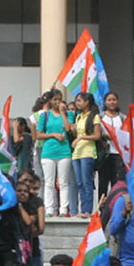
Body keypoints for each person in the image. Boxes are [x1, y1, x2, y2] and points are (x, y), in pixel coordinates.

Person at [34, 89, 73, 217]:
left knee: (63, 182)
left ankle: (63, 210)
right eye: (55, 99)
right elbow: (38, 135)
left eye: (59, 99)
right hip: (48, 152)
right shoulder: (45, 116)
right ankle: (49, 210)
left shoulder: (68, 114)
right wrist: (53, 135)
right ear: (50, 101)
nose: (57, 102)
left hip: (64, 151)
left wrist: (63, 113)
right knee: (49, 182)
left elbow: (68, 129)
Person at [69, 92, 101, 217]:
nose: (77, 103)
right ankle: (83, 209)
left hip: (88, 152)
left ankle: (87, 210)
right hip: (77, 153)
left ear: (87, 102)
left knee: (87, 182)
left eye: (79, 101)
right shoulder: (78, 116)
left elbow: (97, 136)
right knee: (79, 183)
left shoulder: (94, 116)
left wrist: (81, 138)